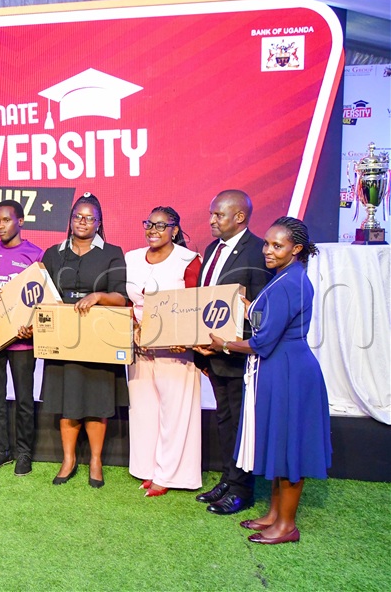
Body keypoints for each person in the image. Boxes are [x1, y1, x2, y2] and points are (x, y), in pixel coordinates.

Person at [209, 217, 331, 544]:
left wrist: (223, 343)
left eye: (277, 245)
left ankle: (287, 526)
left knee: (291, 448)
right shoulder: (285, 277)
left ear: (297, 249)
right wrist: (247, 307)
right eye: (266, 243)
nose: (268, 250)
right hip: (279, 369)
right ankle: (275, 515)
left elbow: (263, 341)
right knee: (280, 443)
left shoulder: (291, 282)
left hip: (289, 372)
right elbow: (269, 319)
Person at [193, 189, 273, 515]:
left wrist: (227, 344)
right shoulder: (213, 248)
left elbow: (260, 309)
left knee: (242, 423)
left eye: (218, 215)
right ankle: (228, 478)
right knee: (225, 419)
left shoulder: (257, 252)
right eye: (212, 214)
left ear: (239, 217)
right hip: (212, 352)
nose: (211, 220)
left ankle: (243, 490)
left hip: (238, 355)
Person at [40, 192, 128, 487]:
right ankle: (68, 459)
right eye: (78, 216)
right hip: (63, 337)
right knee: (67, 401)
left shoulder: (113, 252)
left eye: (90, 218)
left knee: (97, 401)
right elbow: (43, 294)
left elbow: (121, 297)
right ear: (70, 219)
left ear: (99, 223)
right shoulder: (53, 253)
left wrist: (98, 296)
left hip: (98, 337)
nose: (83, 222)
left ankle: (95, 460)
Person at [125, 207, 202, 497]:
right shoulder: (131, 258)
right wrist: (132, 329)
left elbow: (196, 302)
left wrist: (186, 337)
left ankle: (170, 474)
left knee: (176, 410)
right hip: (138, 344)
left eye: (161, 225)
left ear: (175, 229)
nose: (153, 230)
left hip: (175, 346)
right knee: (144, 410)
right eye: (149, 224)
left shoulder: (189, 260)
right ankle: (147, 468)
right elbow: (124, 299)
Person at [0, 200, 43, 477]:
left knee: (25, 400)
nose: (0, 226)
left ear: (21, 221)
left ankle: (24, 453)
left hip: (23, 339)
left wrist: (33, 327)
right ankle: (1, 450)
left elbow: (41, 298)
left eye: (6, 220)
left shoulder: (36, 254)